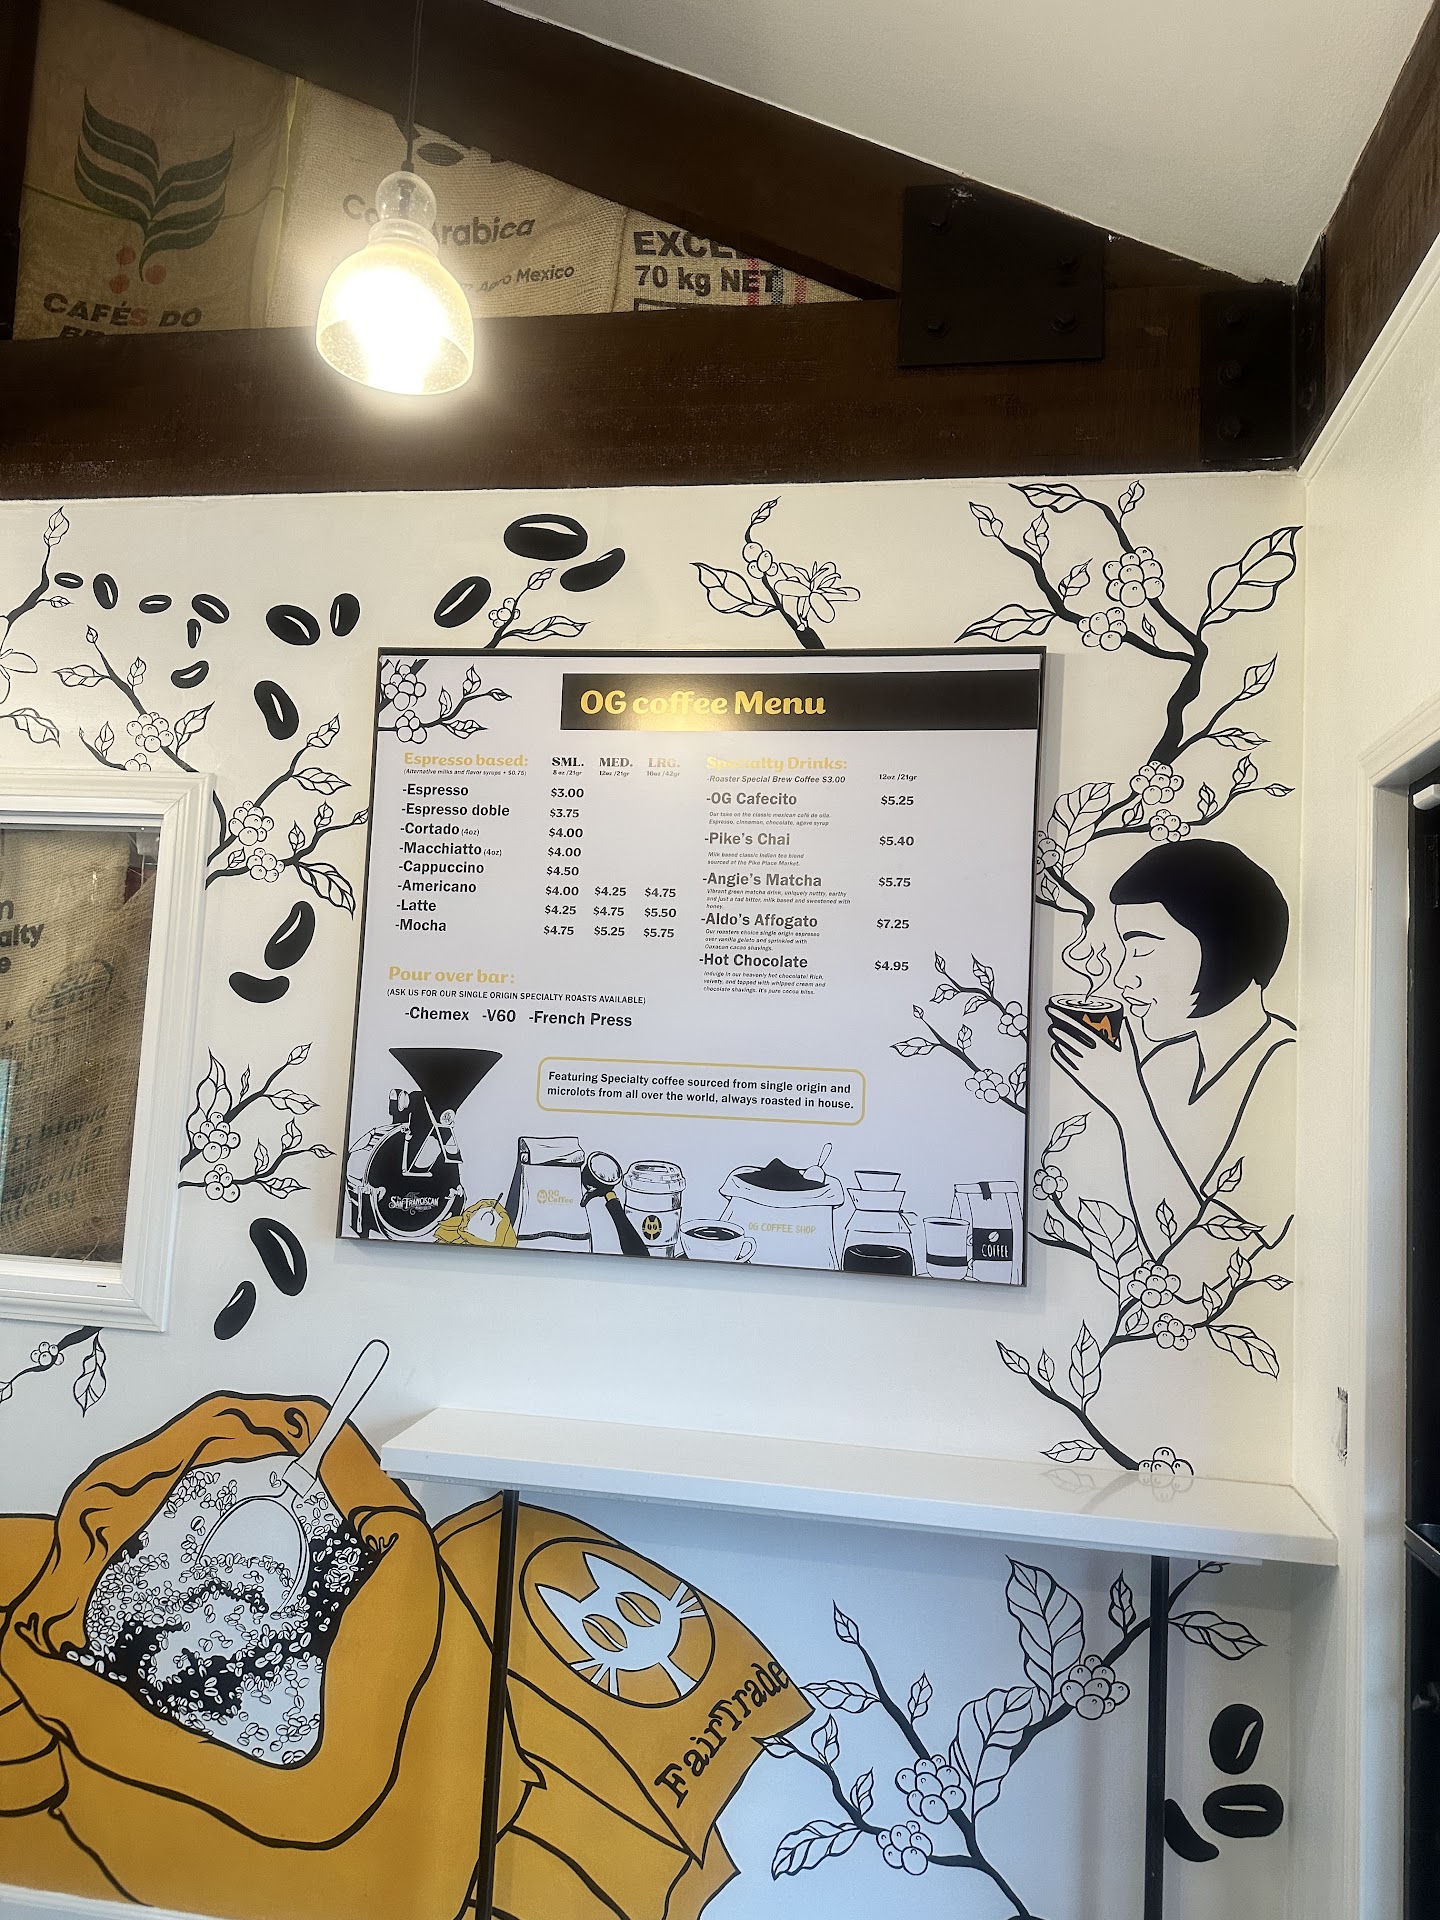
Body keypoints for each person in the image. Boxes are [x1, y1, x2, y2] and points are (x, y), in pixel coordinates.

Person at [1049, 839, 1294, 1254]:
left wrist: (1127, 1099)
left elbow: (1195, 1264)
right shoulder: (1164, 1064)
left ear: (1224, 941)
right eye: (1125, 951)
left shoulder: (1289, 1069)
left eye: (1142, 949)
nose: (1122, 977)